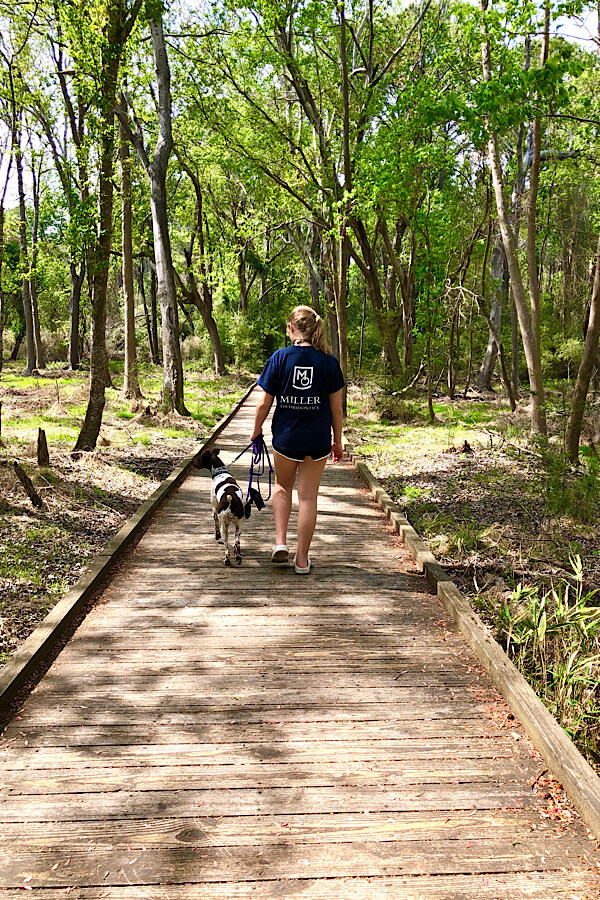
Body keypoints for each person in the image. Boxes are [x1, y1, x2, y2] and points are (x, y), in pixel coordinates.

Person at [252, 306, 344, 574]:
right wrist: (337, 440)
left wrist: (256, 429)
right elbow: (336, 408)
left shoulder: (280, 358)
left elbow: (264, 402)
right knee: (308, 498)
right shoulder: (328, 362)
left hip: (286, 437)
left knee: (282, 487)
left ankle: (280, 542)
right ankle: (302, 559)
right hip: (317, 439)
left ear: (292, 329)